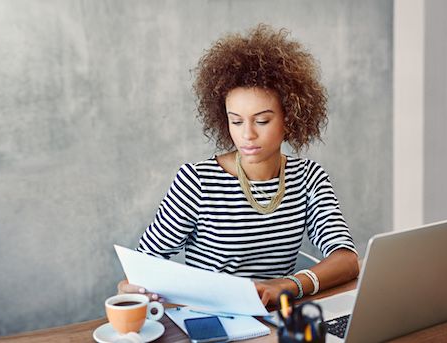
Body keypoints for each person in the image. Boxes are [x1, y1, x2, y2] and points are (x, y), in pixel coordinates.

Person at [118, 24, 359, 308]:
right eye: (236, 120)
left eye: (262, 120)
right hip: (213, 322)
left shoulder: (308, 178)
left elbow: (346, 259)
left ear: (290, 118)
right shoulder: (196, 181)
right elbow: (144, 266)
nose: (247, 134)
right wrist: (131, 285)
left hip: (276, 321)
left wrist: (288, 285)